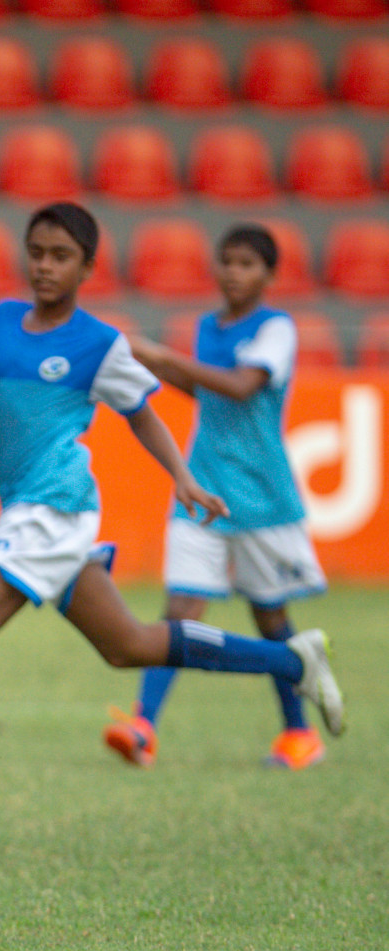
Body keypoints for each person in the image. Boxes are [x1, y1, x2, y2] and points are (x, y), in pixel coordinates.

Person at [0, 203, 343, 847]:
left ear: (87, 268)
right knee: (131, 645)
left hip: (55, 506)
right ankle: (289, 660)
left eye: (61, 255)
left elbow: (141, 410)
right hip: (30, 510)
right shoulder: (0, 323)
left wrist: (183, 476)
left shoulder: (99, 342)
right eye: (37, 251)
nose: (44, 265)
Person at [103, 223, 338, 771]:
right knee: (181, 608)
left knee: (269, 616)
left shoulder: (277, 328)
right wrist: (157, 366)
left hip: (260, 494)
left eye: (247, 264)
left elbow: (240, 385)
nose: (234, 272)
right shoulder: (208, 327)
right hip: (202, 484)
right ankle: (142, 728)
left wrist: (161, 354)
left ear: (270, 275)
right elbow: (207, 391)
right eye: (227, 261)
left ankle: (300, 734)